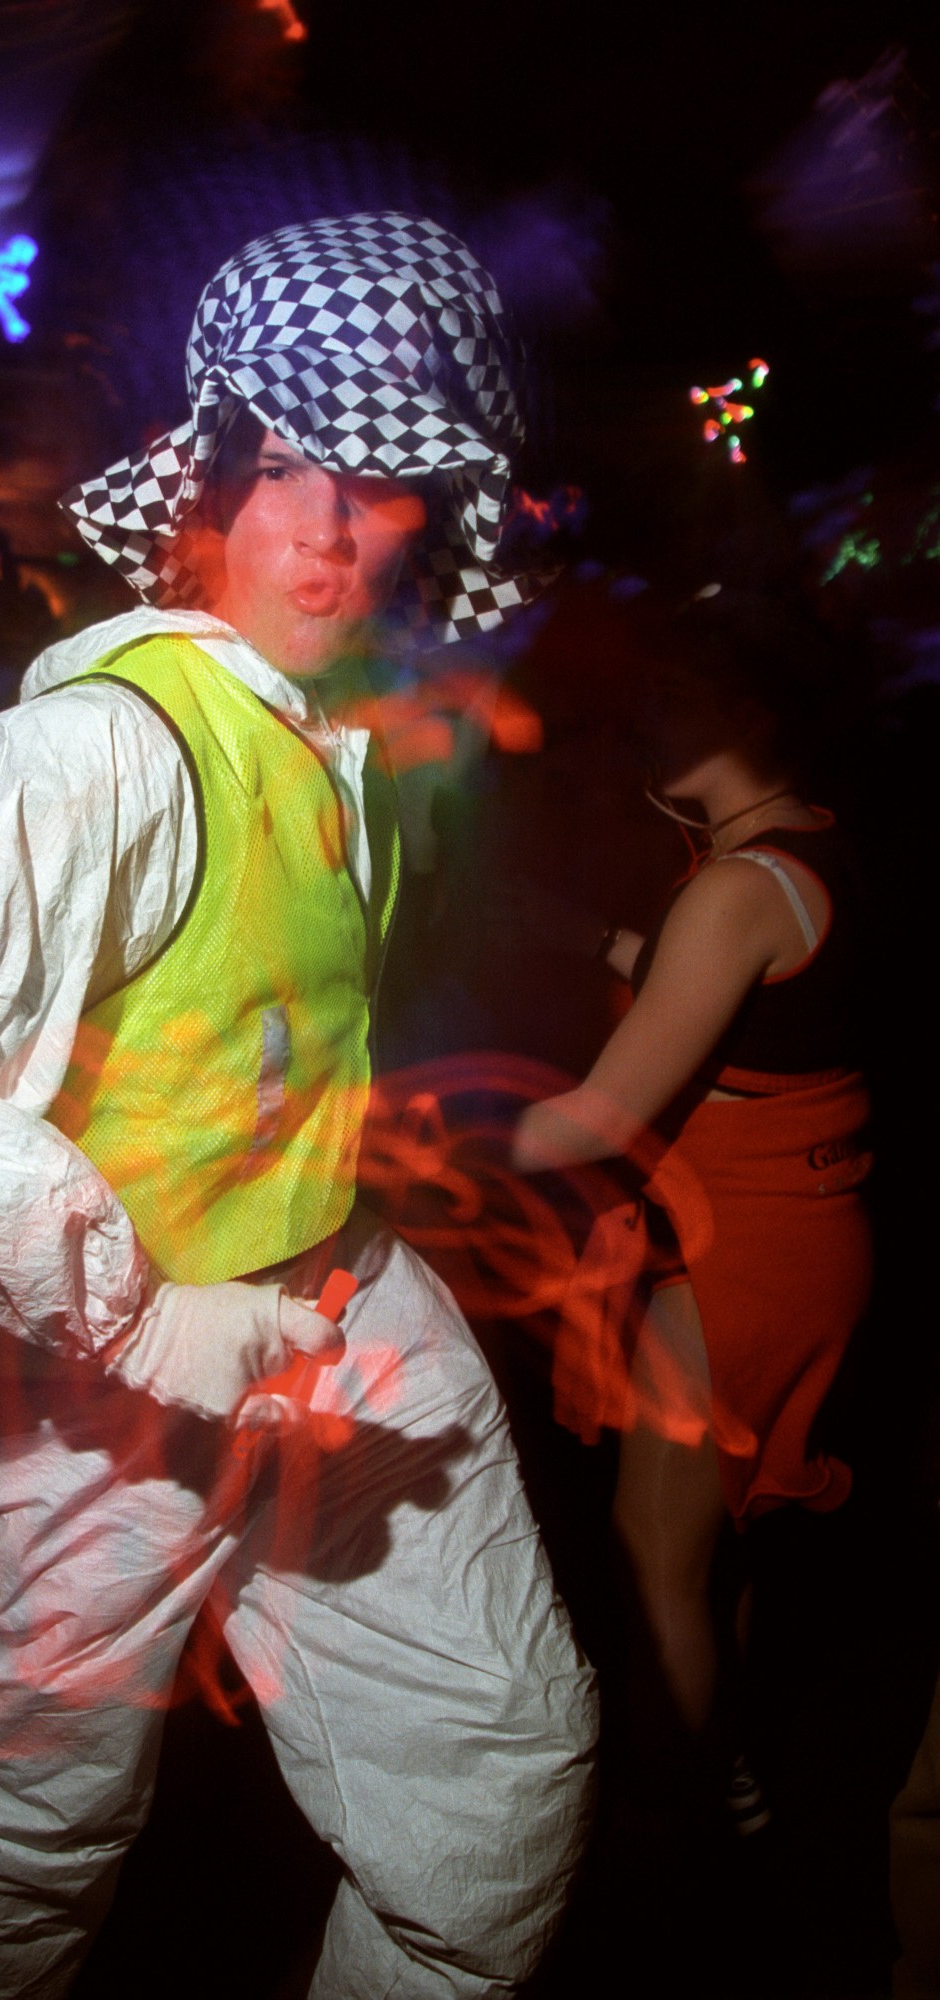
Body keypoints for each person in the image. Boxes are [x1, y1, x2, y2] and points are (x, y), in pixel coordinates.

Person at [0, 212, 596, 1999]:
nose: (328, 525)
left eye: (380, 478)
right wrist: (133, 1315)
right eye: (287, 463)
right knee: (22, 1845)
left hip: (326, 1299)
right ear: (210, 472)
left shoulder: (336, 732)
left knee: (497, 1784)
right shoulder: (110, 741)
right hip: (77, 1393)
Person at [508, 586, 870, 1823]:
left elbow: (590, 1121)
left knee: (651, 1551)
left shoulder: (732, 888)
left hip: (739, 1254)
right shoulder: (802, 845)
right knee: (719, 1532)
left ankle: (693, 1799)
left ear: (748, 711)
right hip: (797, 1233)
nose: (643, 711)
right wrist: (589, 935)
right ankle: (740, 1758)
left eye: (675, 691)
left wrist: (407, 1126)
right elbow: (740, 1000)